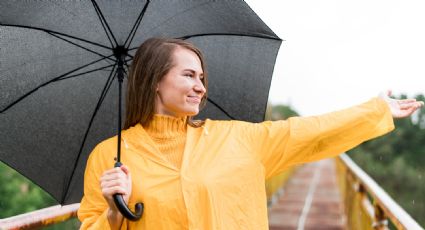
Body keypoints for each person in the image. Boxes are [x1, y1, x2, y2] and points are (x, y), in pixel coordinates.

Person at [77, 37, 423, 229]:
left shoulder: (237, 139)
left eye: (202, 78)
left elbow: (308, 132)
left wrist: (375, 110)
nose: (200, 87)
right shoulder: (111, 157)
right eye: (188, 76)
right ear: (154, 81)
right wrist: (111, 213)